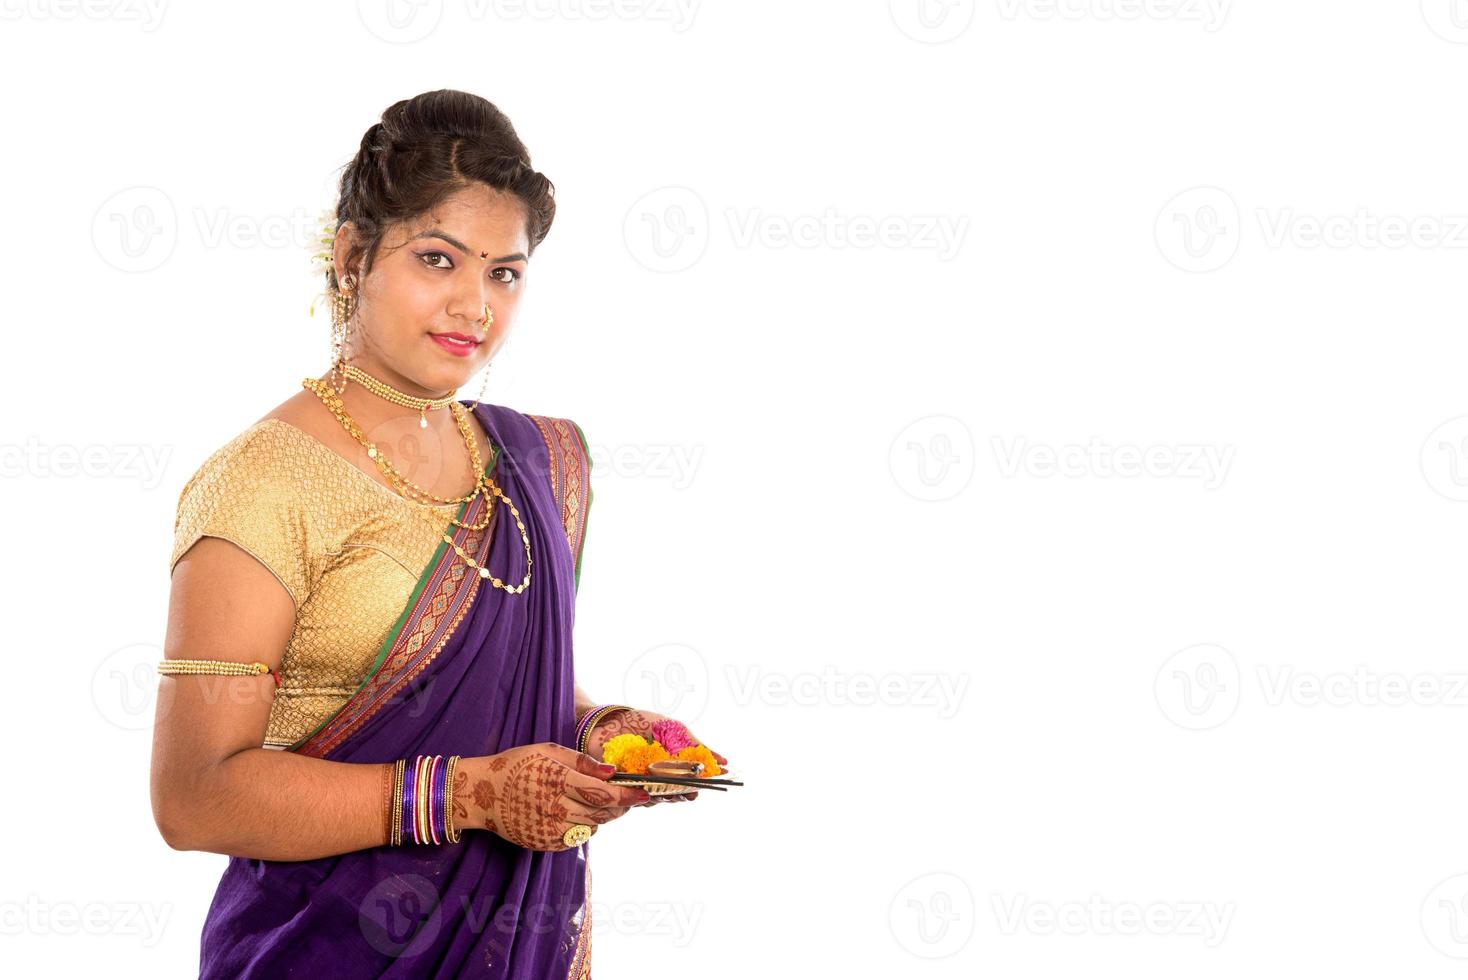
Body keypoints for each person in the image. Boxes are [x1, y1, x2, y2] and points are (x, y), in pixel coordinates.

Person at [149, 89, 729, 979]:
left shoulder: (538, 462)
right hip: (320, 950)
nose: (474, 305)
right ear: (351, 257)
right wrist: (470, 795)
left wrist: (603, 734)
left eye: (504, 272)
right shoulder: (263, 482)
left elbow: (504, 695)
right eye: (437, 259)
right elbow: (194, 796)